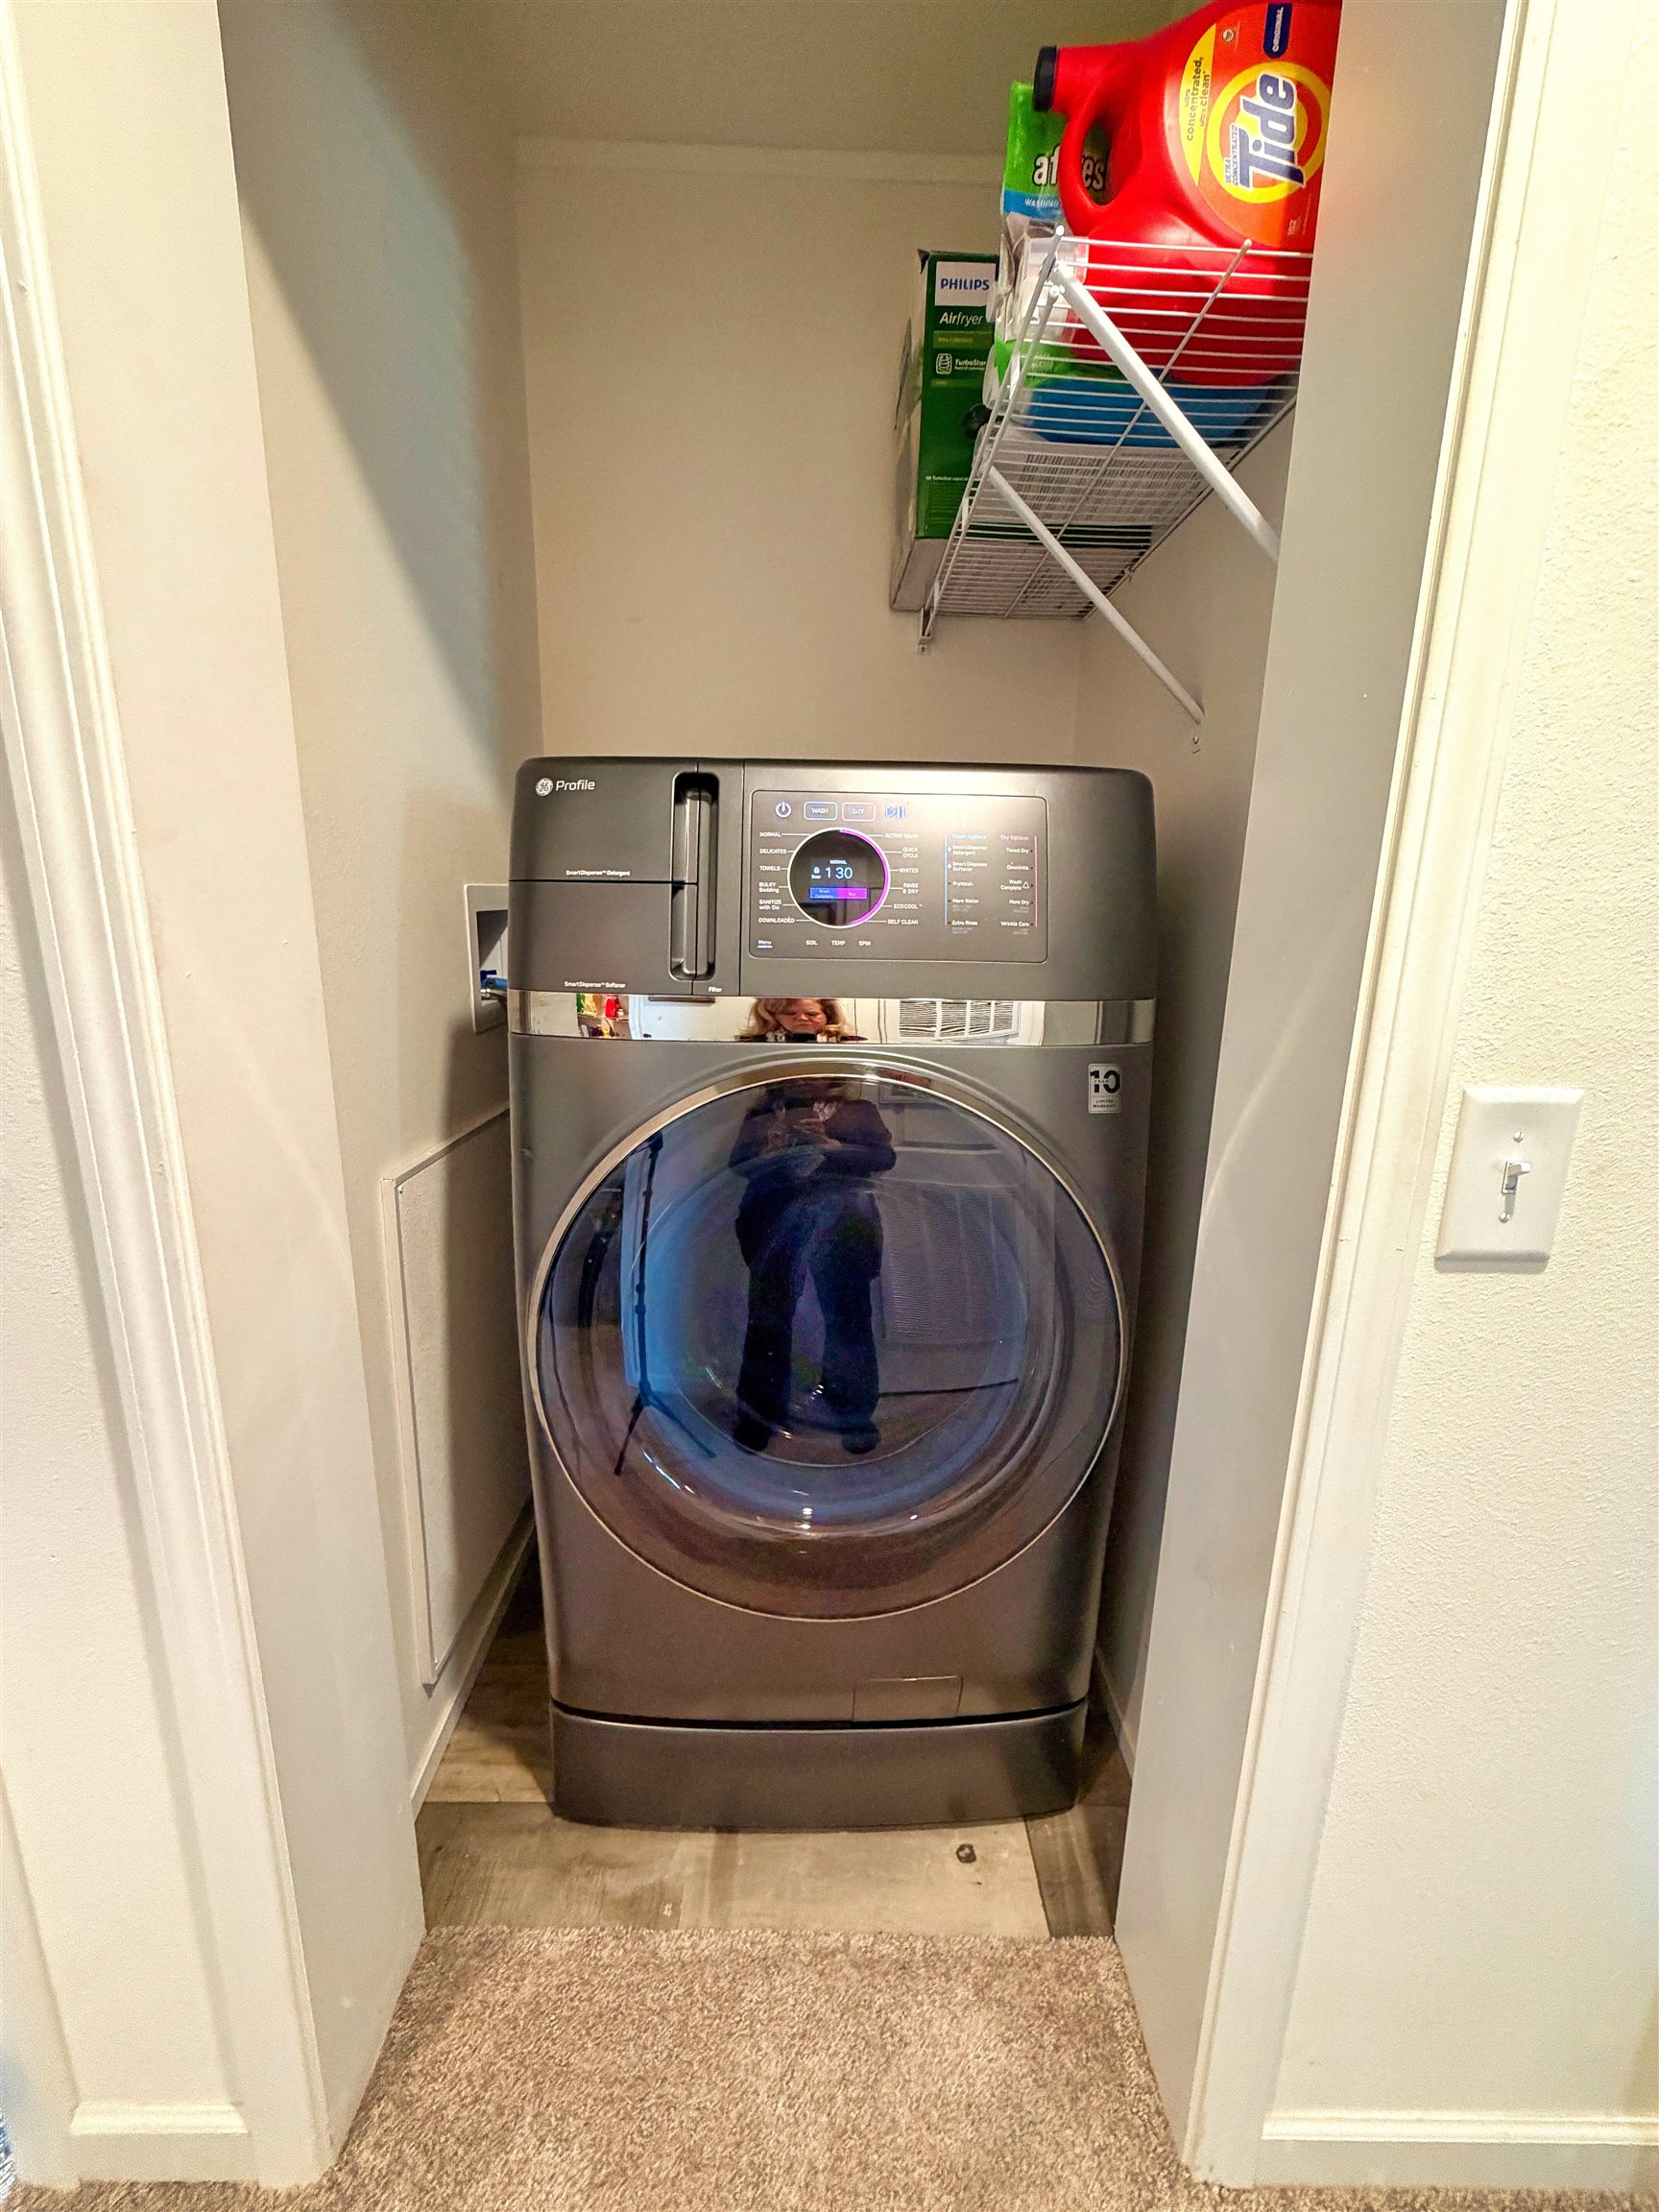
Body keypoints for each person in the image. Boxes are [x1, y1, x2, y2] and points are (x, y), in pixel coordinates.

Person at [727, 1075, 894, 1456]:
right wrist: (772, 1149)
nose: (806, 1074)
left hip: (844, 1222)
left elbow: (884, 1158)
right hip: (773, 1219)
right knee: (768, 1319)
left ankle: (853, 1414)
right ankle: (759, 1416)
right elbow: (738, 1166)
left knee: (848, 1316)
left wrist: (830, 1146)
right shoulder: (764, 1112)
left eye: (815, 1065)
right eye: (798, 1065)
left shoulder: (858, 1110)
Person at [737, 998, 861, 1043]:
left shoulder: (847, 1044)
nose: (802, 1018)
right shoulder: (751, 1045)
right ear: (771, 1017)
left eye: (812, 1014)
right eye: (789, 1013)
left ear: (828, 1016)